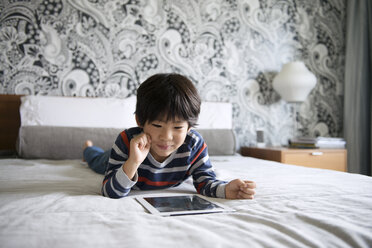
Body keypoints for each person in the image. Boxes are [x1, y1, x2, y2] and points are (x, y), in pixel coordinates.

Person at [83, 73, 256, 199]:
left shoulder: (193, 144)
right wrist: (133, 162)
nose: (166, 137)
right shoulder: (127, 141)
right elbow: (110, 192)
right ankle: (88, 148)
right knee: (97, 160)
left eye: (178, 127)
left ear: (189, 128)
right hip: (121, 159)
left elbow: (205, 182)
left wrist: (226, 190)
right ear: (140, 121)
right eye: (157, 125)